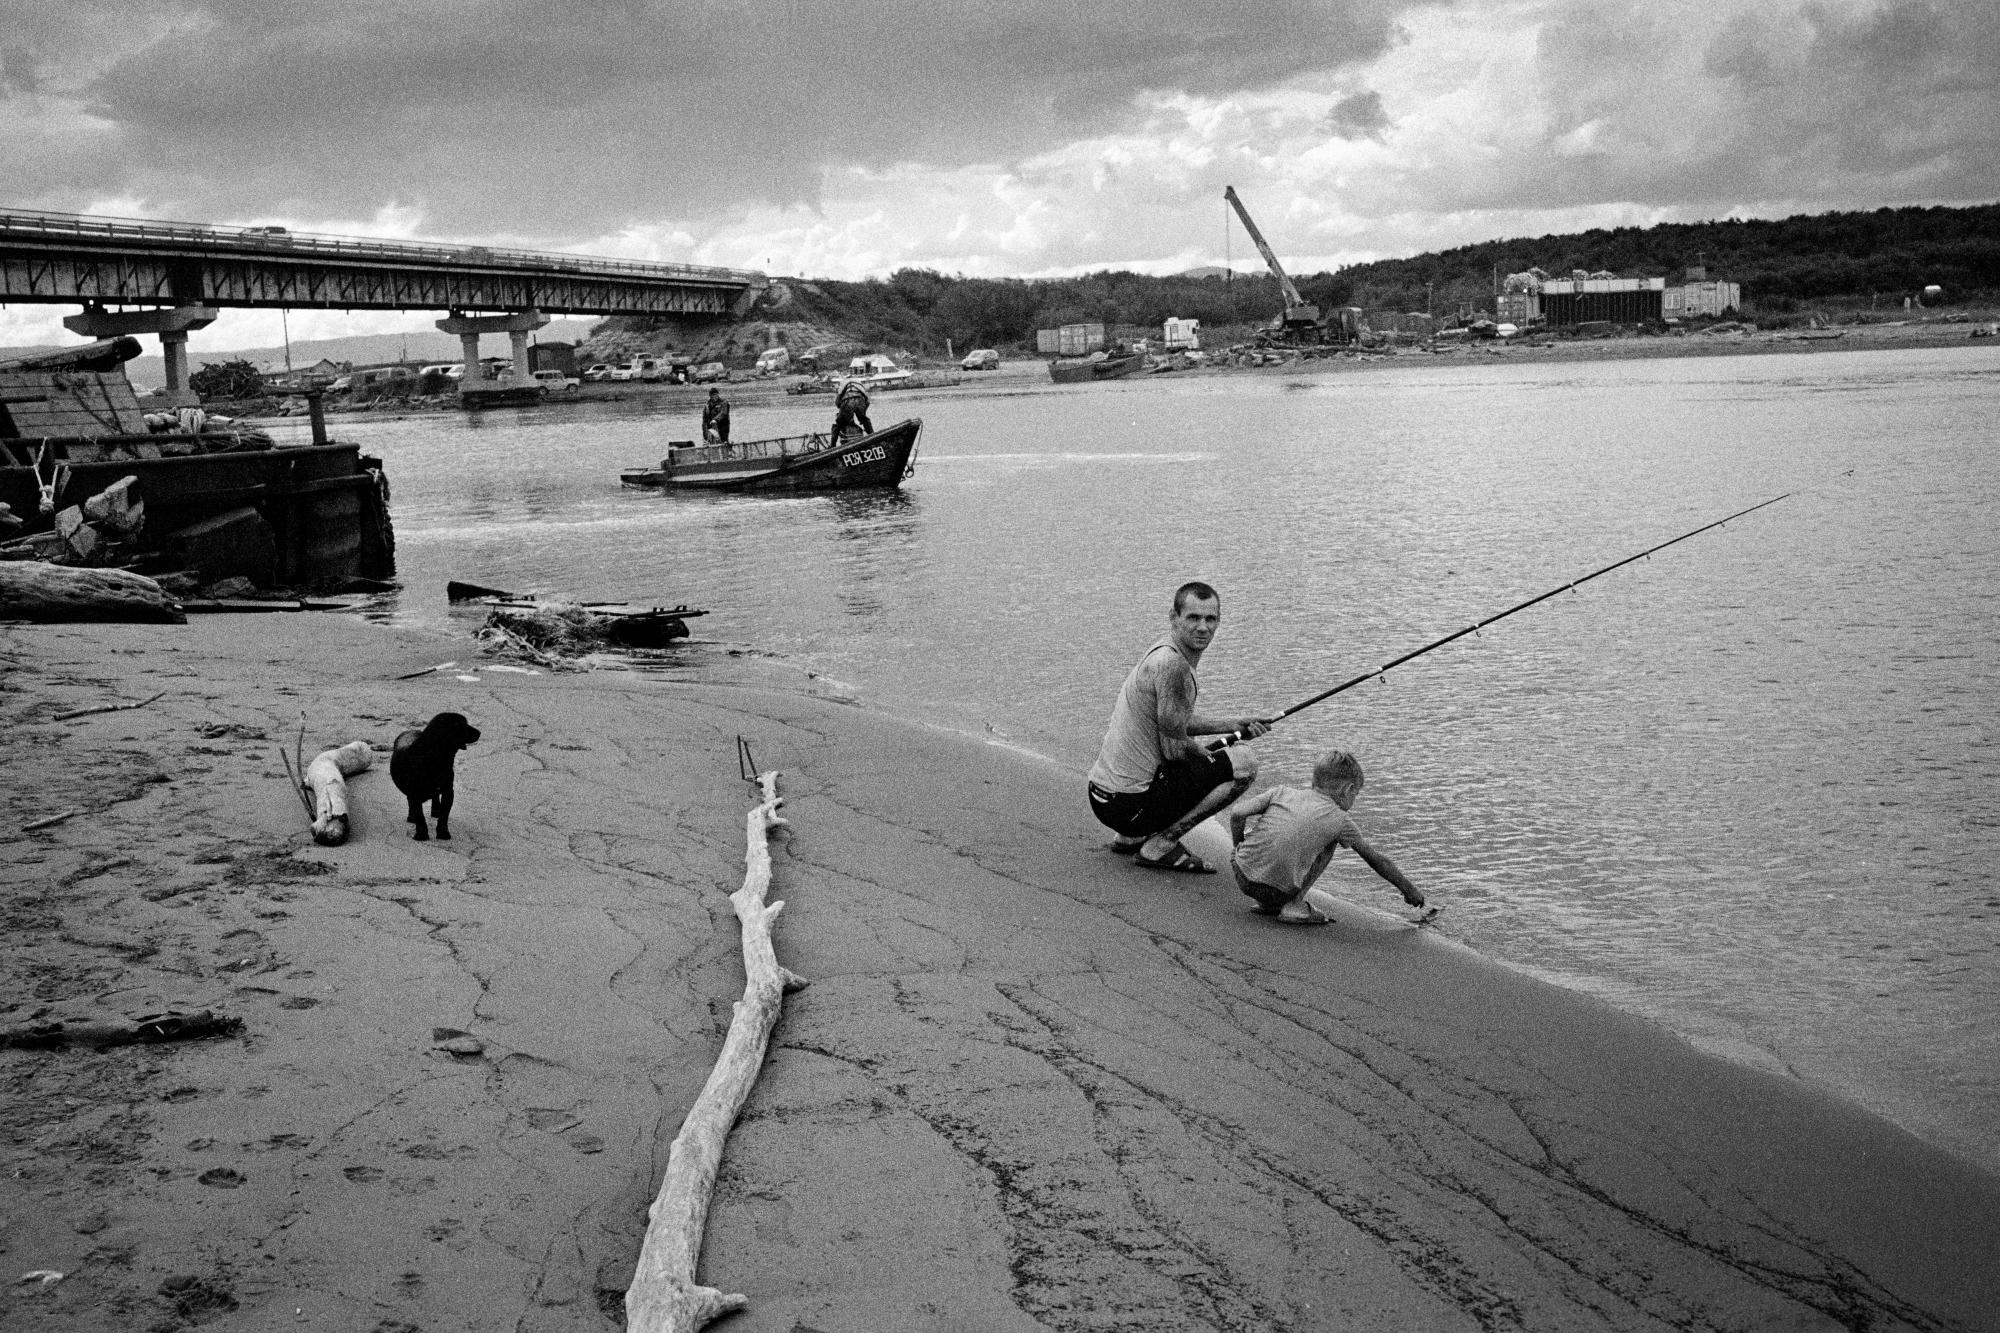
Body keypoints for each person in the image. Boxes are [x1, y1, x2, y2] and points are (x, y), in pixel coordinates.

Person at [1087, 582, 1270, 872]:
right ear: (1174, 617)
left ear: (1219, 621)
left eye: (1210, 619)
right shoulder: (1174, 666)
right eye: (1193, 617)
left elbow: (1171, 721)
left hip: (1104, 798)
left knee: (1218, 758)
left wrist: (1233, 725)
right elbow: (1175, 750)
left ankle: (1129, 837)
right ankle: (1160, 845)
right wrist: (1211, 757)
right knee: (1244, 762)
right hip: (1128, 807)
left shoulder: (1163, 652)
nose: (1203, 627)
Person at [1226, 749, 1435, 924]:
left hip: (1241, 874)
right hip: (1277, 891)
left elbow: (1237, 813)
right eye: (1356, 794)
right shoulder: (1341, 820)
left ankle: (1267, 903)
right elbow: (1376, 860)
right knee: (1329, 844)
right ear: (1348, 789)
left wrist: (1238, 846)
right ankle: (1294, 905)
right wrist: (1409, 890)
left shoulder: (1281, 792)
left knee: (1268, 830)